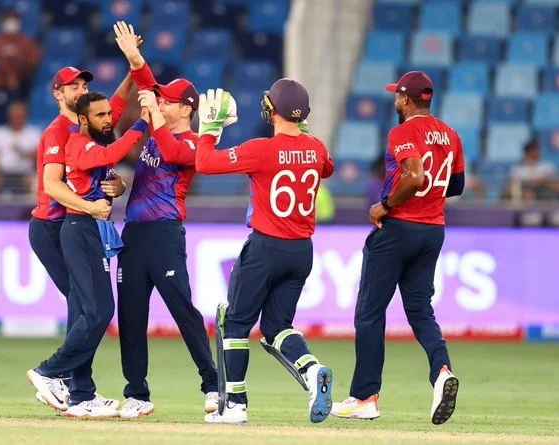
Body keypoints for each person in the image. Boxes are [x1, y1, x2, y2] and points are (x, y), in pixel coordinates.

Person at [195, 80, 335, 425]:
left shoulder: (261, 149)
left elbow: (205, 163)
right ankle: (312, 369)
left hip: (266, 247)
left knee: (235, 323)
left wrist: (209, 129)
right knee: (277, 327)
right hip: (301, 251)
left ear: (272, 110)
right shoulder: (316, 148)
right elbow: (327, 168)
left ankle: (235, 406)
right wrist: (302, 135)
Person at [331, 71, 464, 425]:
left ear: (405, 99)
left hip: (398, 230)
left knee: (370, 312)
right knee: (420, 310)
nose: (395, 101)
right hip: (432, 230)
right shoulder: (451, 135)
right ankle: (442, 371)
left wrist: (385, 205)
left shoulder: (402, 132)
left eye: (397, 96)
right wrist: (427, 200)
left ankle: (365, 397)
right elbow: (456, 186)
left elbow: (415, 176)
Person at [105, 21, 218, 418]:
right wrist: (135, 59)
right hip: (133, 235)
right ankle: (137, 394)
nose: (160, 104)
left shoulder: (195, 143)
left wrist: (153, 112)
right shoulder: (156, 131)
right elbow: (147, 85)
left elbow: (170, 153)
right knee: (130, 317)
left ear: (186, 108)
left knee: (182, 310)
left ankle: (213, 386)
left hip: (165, 234)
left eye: (168, 102)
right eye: (161, 101)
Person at [27, 91, 150, 419]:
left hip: (90, 230)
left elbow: (105, 169)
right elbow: (114, 151)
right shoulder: (78, 144)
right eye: (100, 115)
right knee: (97, 310)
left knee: (97, 311)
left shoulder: (92, 145)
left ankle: (81, 395)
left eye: (109, 114)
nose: (108, 119)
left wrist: (117, 186)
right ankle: (49, 372)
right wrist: (142, 122)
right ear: (83, 120)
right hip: (79, 229)